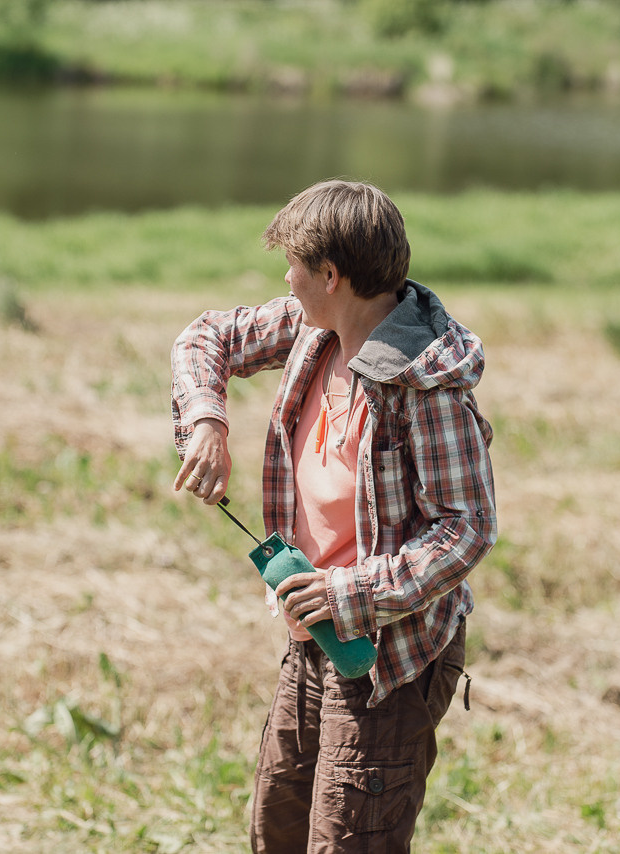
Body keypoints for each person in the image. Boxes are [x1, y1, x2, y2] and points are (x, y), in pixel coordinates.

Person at [170, 179, 497, 853]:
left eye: (294, 265)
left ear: (331, 273)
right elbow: (207, 336)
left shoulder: (421, 384)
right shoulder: (312, 328)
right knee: (279, 830)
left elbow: (466, 527)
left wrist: (347, 591)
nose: (285, 280)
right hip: (315, 637)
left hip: (389, 661)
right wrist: (206, 420)